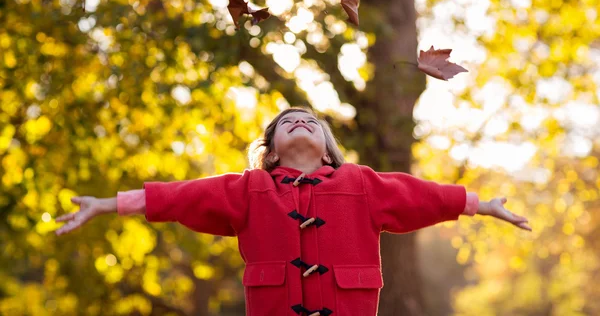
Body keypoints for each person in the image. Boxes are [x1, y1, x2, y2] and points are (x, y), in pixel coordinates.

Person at [55, 107, 530, 316]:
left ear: (327, 151)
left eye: (311, 122)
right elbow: (179, 196)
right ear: (273, 151)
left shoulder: (360, 182)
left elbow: (419, 195)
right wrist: (106, 204)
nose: (300, 121)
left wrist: (479, 204)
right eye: (287, 122)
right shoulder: (249, 188)